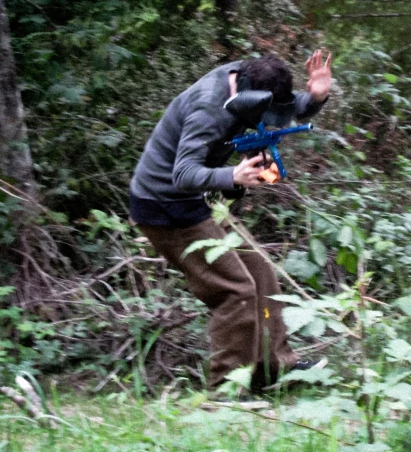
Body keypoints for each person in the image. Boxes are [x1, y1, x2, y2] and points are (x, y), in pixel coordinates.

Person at [128, 50, 332, 396]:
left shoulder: (249, 81)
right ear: (248, 97)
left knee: (262, 274)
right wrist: (232, 175)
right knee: (235, 291)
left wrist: (316, 96)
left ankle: (275, 368)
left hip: (193, 203)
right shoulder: (208, 108)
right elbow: (183, 173)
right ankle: (225, 391)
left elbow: (288, 106)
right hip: (164, 207)